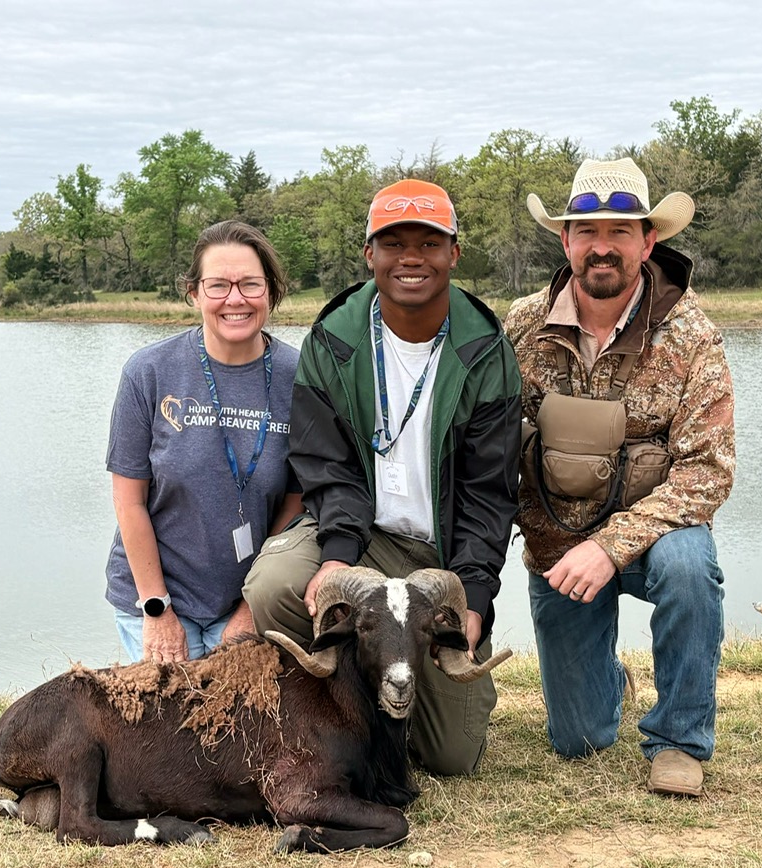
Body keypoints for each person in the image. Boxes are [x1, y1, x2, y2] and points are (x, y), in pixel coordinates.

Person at [243, 179, 522, 776]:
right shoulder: (334, 339)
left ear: (454, 252)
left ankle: (405, 691)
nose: (411, 258)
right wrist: (338, 556)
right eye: (393, 243)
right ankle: (324, 722)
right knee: (274, 584)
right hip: (361, 535)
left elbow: (489, 494)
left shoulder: (486, 350)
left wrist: (472, 596)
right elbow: (327, 466)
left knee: (451, 757)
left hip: (440, 557)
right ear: (370, 254)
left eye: (429, 242)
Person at [504, 157, 736, 797]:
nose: (602, 247)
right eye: (587, 231)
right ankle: (608, 686)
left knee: (691, 567)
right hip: (557, 547)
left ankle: (679, 740)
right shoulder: (520, 327)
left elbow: (706, 473)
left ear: (649, 240)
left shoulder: (692, 334)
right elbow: (487, 449)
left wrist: (609, 549)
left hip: (657, 538)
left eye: (620, 232)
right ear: (565, 240)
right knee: (578, 741)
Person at [105, 221, 302, 663]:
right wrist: (156, 609)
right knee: (171, 724)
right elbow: (128, 501)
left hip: (251, 595)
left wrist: (253, 607)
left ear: (271, 290)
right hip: (156, 595)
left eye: (250, 284)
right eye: (218, 285)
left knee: (245, 725)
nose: (235, 299)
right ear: (193, 293)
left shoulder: (300, 376)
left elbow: (298, 500)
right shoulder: (149, 372)